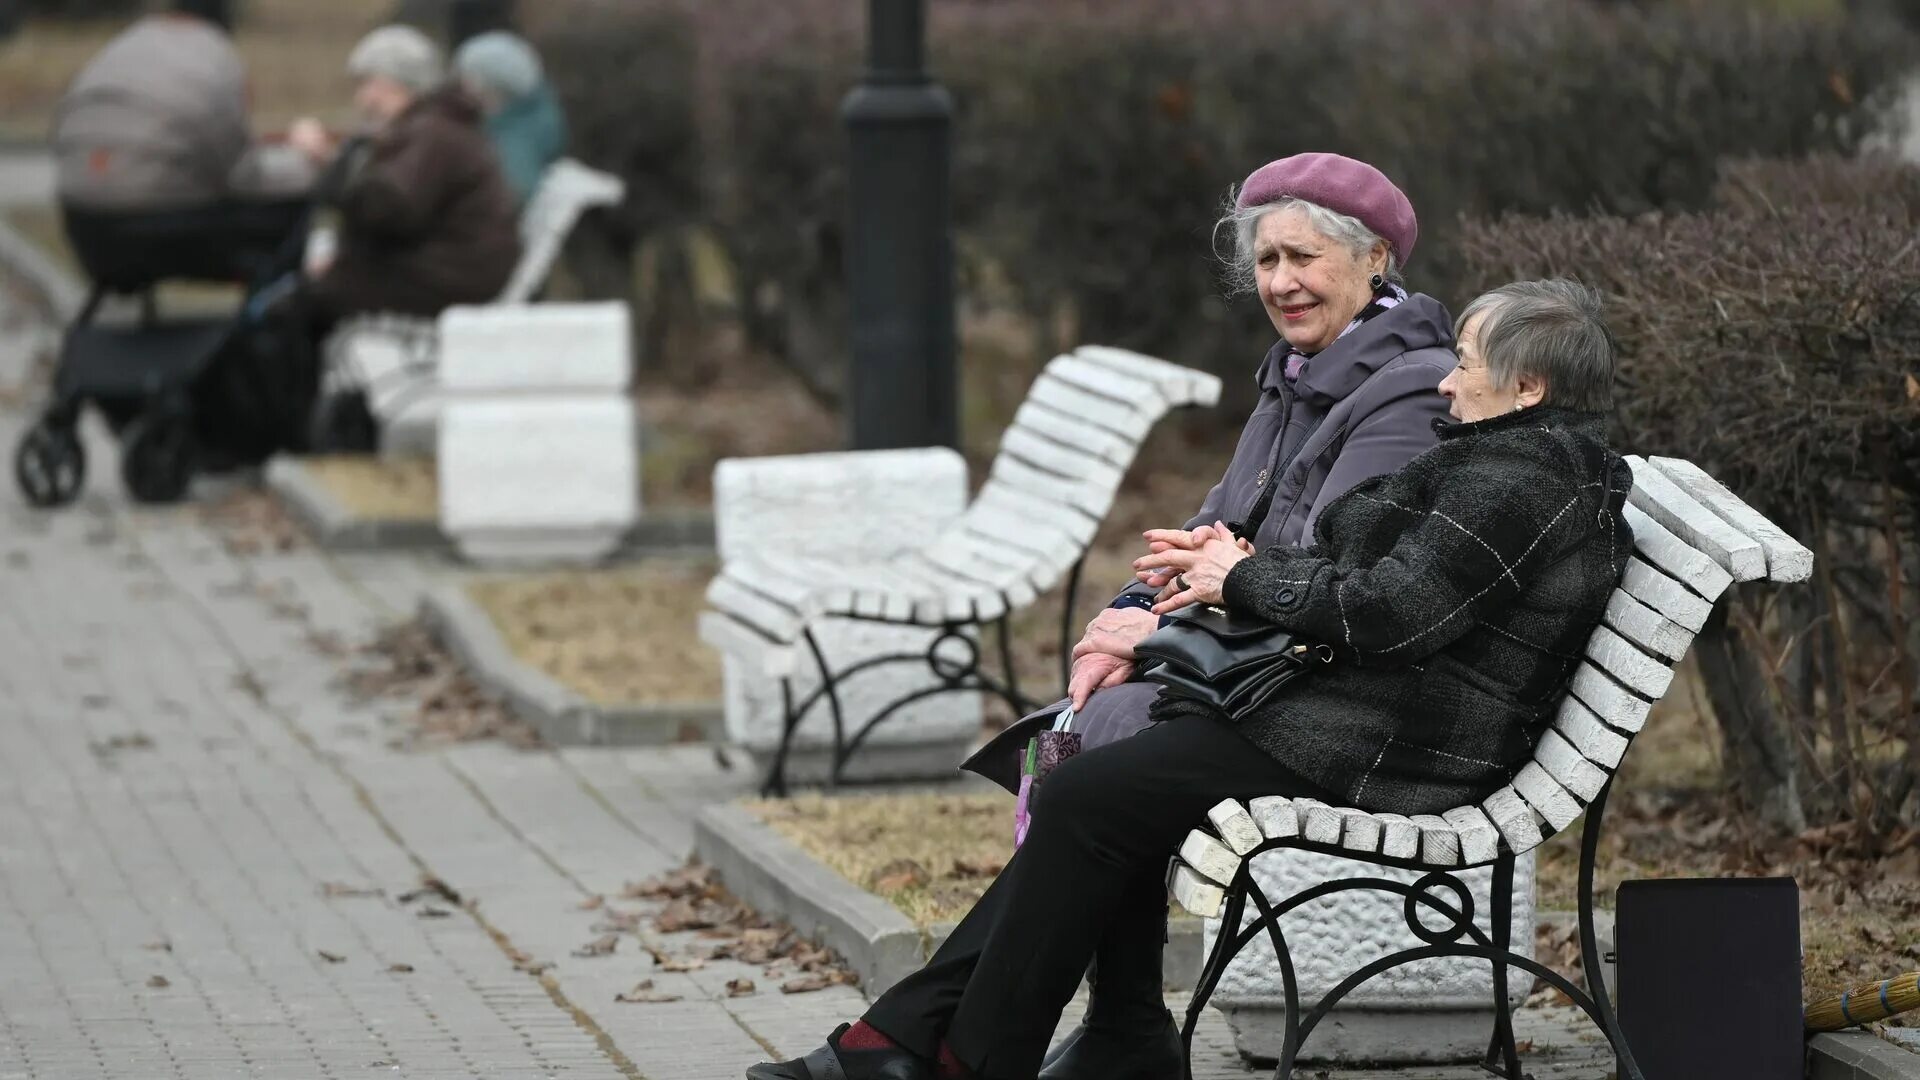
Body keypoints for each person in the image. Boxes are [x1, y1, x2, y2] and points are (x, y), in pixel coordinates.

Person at [750, 278, 1632, 1080]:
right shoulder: (1512, 462)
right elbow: (1384, 587)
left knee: (1089, 798)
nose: (1446, 381)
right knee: (1099, 785)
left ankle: (959, 1055)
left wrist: (1239, 581)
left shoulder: (1520, 478)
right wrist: (1236, 561)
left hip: (1400, 743)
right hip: (1365, 711)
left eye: (1467, 366)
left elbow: (1394, 614)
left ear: (1527, 390)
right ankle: (1056, 1040)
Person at [961, 152, 1457, 1076]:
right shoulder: (1295, 372)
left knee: (1093, 772)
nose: (1281, 283)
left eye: (1304, 258)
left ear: (1377, 258)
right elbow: (1209, 527)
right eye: (1266, 262)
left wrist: (1158, 633)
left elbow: (1331, 571)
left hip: (1333, 706)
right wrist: (1117, 620)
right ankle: (1112, 1033)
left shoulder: (1404, 390)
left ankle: (973, 1044)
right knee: (1084, 733)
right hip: (1255, 671)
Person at [51, 0, 320, 290]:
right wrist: (303, 164)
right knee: (293, 203)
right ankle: (275, 311)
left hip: (85, 225)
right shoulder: (214, 54)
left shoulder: (123, 45)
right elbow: (241, 173)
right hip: (167, 228)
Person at [292, 24, 521, 326]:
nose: (362, 99)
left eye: (367, 83)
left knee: (301, 301)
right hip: (458, 269)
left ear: (395, 83)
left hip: (453, 279)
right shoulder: (436, 125)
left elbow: (388, 210)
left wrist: (331, 165)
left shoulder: (432, 133)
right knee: (309, 288)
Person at [453, 31, 568, 209]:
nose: (463, 89)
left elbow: (511, 197)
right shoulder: (535, 113)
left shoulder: (515, 142)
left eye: (467, 79)